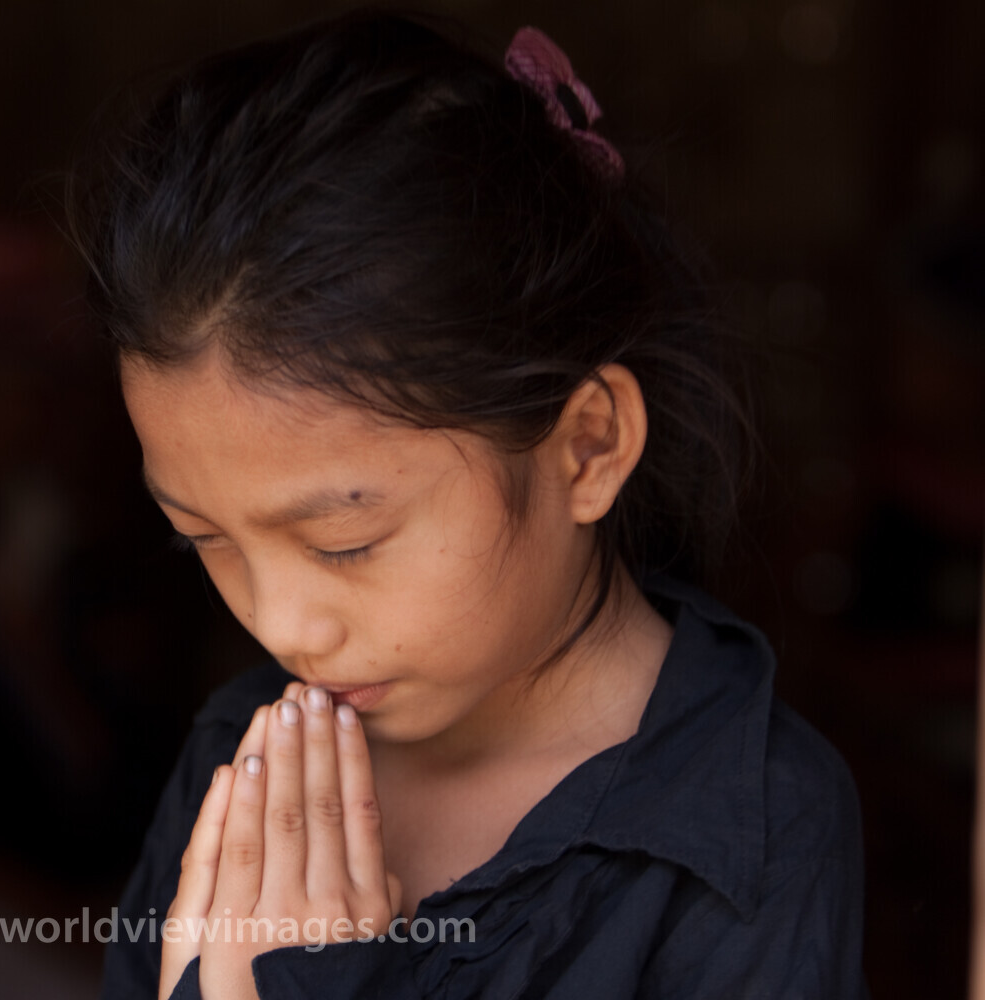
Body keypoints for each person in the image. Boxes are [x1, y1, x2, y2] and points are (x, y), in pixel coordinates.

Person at [67, 11, 868, 999]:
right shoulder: (247, 768)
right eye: (203, 537)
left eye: (347, 541)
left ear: (588, 445)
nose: (281, 627)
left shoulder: (746, 835)